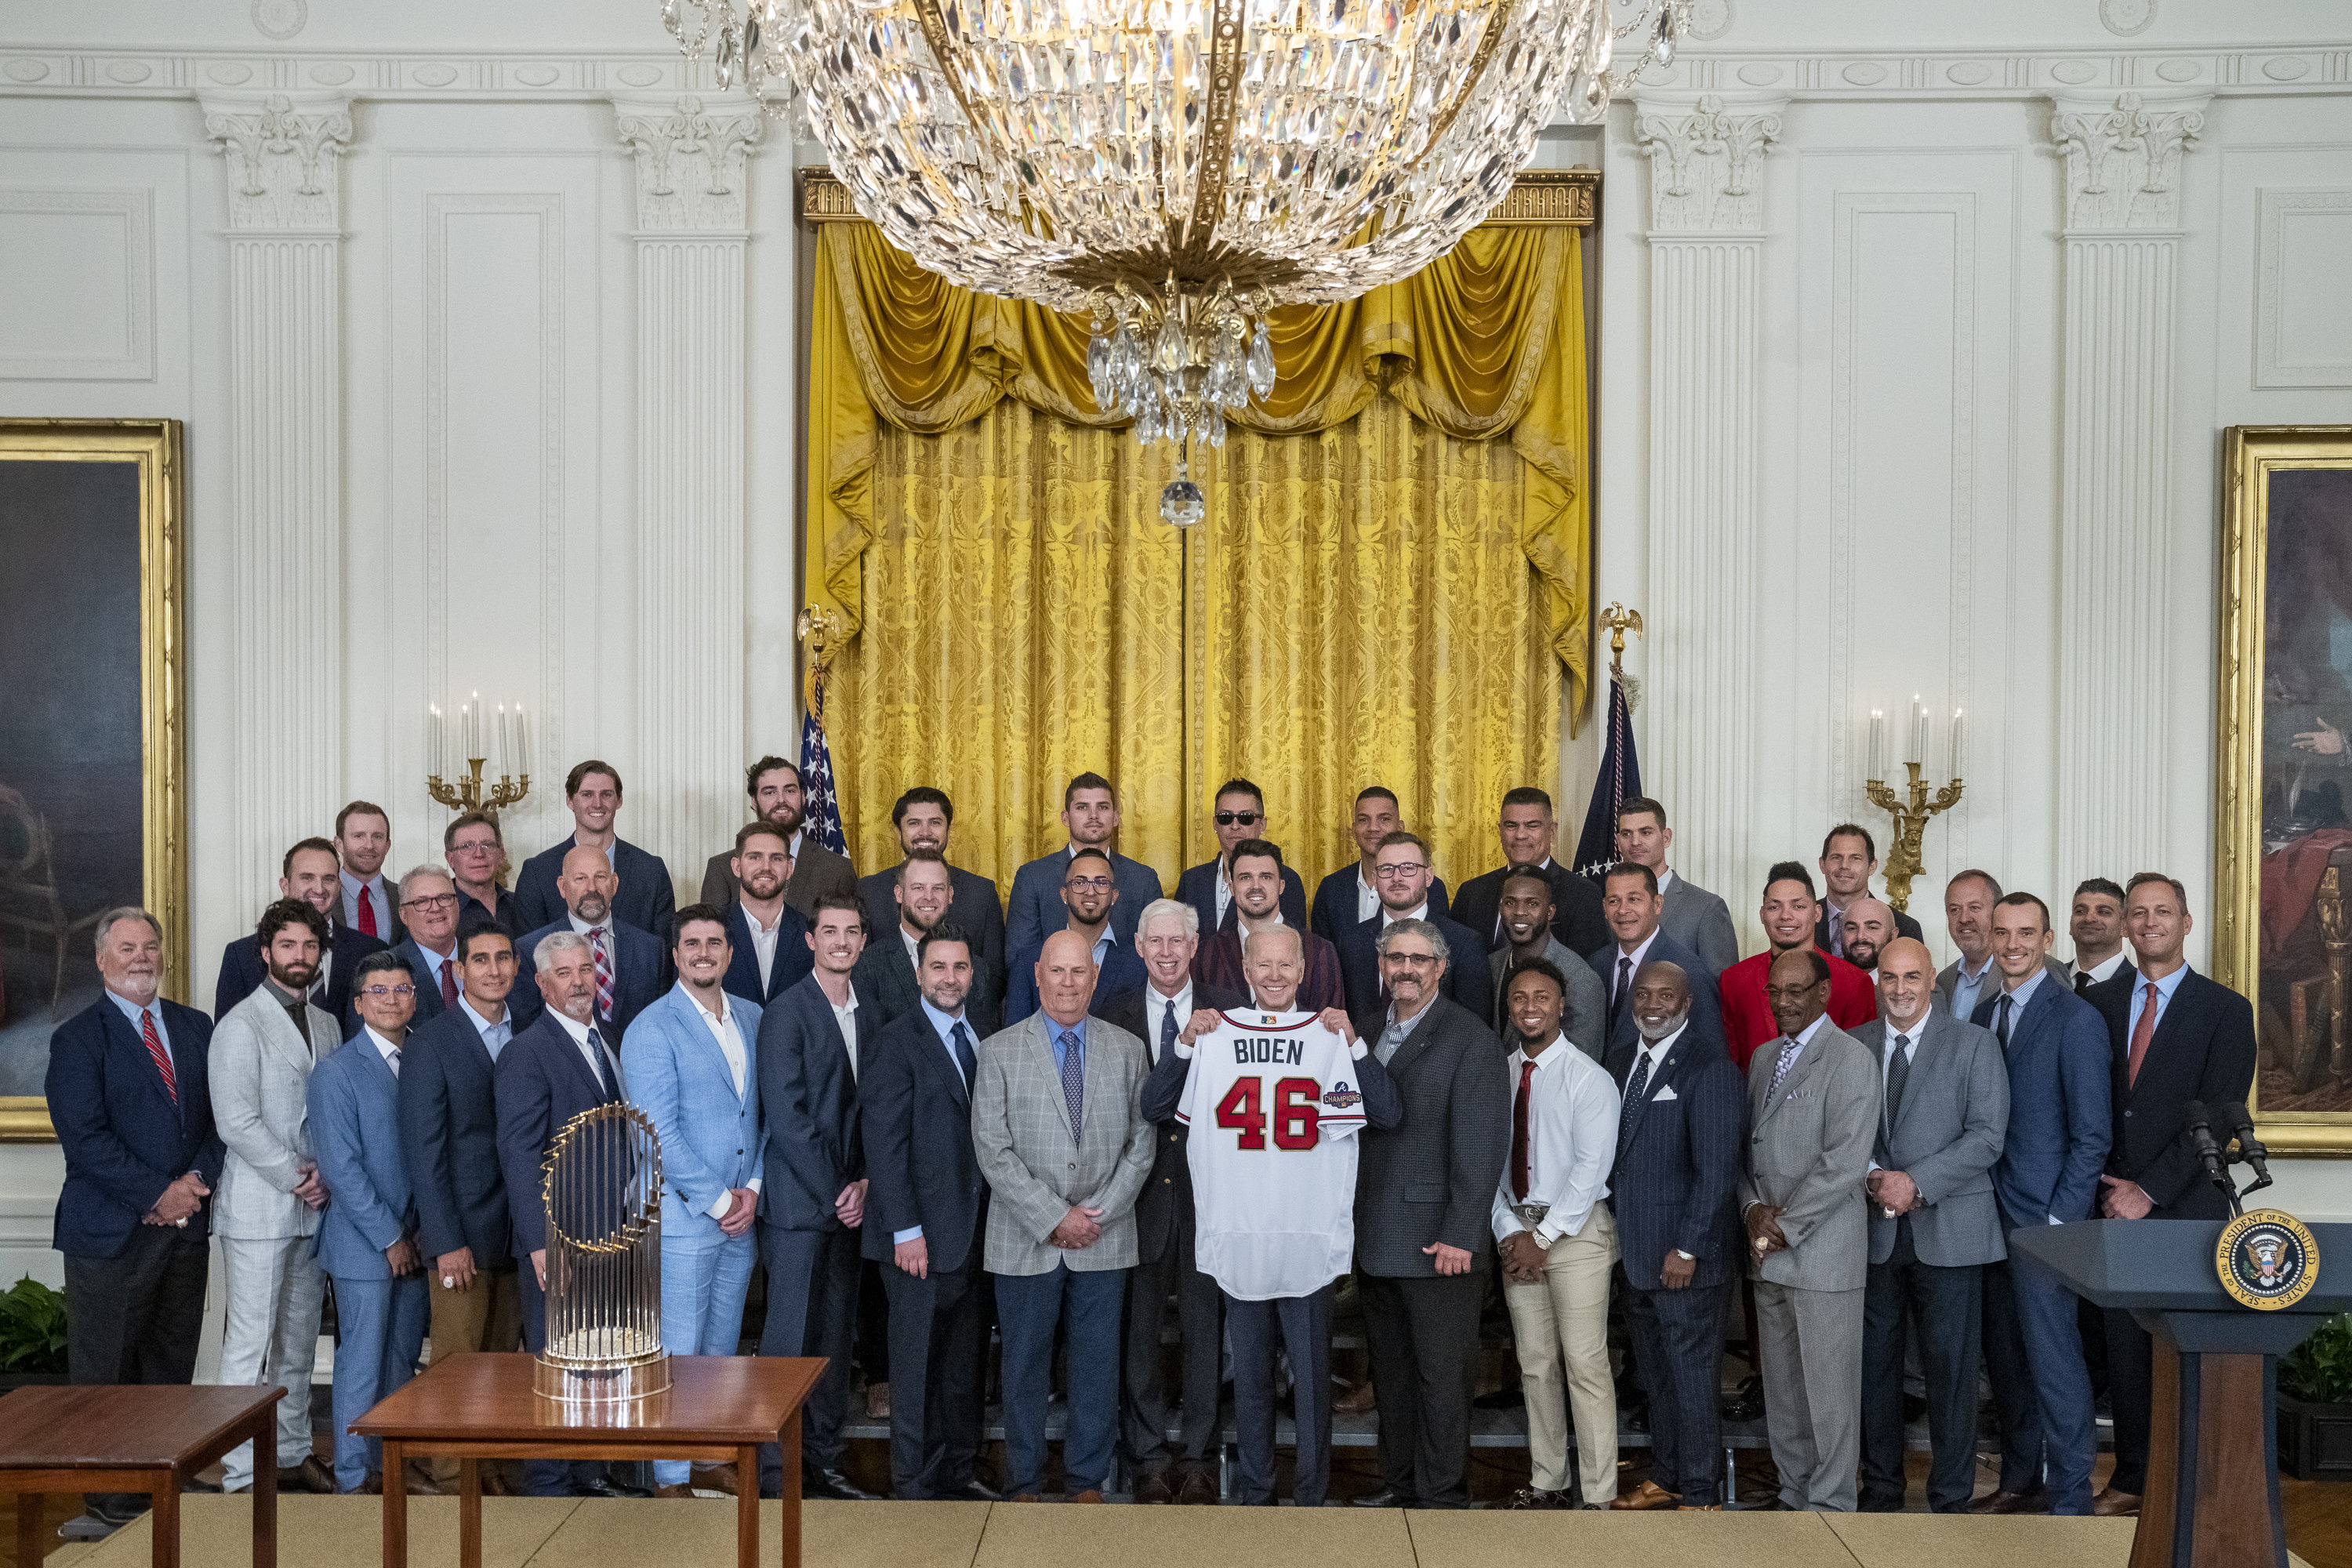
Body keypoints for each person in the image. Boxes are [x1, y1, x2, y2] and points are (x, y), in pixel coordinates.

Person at [1146, 924, 1400, 1509]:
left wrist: (1353, 1045)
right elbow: (1156, 1108)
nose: (1276, 975)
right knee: (1254, 1378)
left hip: (1304, 1235)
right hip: (1241, 1233)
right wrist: (1186, 1043)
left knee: (1309, 1381)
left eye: (1286, 965)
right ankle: (1257, 1494)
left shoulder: (1330, 1036)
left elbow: (1378, 1116)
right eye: (1265, 965)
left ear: (1305, 967)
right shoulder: (1213, 1034)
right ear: (1245, 965)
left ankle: (1311, 1496)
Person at [2083, 873, 2256, 1519]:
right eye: (2138, 913)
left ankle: (2196, 1483)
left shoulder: (2225, 1010)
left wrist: (2149, 1190)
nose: (2148, 922)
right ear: (2126, 926)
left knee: (2183, 1349)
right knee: (2125, 1350)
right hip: (2109, 1207)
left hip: (2185, 1209)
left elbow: (2217, 1113)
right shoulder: (2099, 1005)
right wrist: (2112, 1189)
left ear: (2187, 922)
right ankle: (2132, 1480)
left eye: (2163, 912)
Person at [49, 909, 223, 1530]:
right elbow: (85, 1138)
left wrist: (194, 1184)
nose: (141, 957)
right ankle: (110, 1500)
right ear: (101, 959)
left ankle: (164, 1483)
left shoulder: (196, 1027)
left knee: (169, 1365)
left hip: (185, 1229)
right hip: (111, 1232)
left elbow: (216, 1121)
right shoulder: (77, 1037)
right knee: (107, 1373)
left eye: (150, 946)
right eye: (127, 948)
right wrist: (158, 1194)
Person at [971, 930, 1155, 1504]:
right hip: (1025, 1238)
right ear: (1038, 975)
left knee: (1096, 1369)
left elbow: (1142, 1143)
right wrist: (1054, 1217)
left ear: (1095, 978)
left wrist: (1096, 1213)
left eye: (1079, 972)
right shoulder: (999, 1050)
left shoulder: (1128, 1049)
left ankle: (1085, 1482)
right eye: (1058, 971)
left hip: (1104, 1235)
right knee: (1023, 1368)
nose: (1069, 983)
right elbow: (991, 1149)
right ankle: (1024, 1481)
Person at [1348, 918, 1510, 1509]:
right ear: (1383, 965)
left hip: (1440, 1244)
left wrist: (1462, 1234)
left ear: (1441, 968)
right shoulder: (1364, 1032)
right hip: (1376, 1239)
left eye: (1419, 959)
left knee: (1441, 1382)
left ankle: (1441, 1496)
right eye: (1397, 958)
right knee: (1390, 1378)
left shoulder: (1470, 1038)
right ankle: (1398, 1485)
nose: (1407, 969)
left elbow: (1481, 1146)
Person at [1851, 937, 2007, 1515]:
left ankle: (1950, 1496)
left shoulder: (1974, 1045)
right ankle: (1883, 1490)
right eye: (1889, 978)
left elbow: (1988, 1136)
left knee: (1951, 1373)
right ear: (1877, 984)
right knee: (1875, 1369)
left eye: (1911, 977)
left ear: (1931, 982)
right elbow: (1843, 1132)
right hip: (1874, 1232)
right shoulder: (1856, 1046)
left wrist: (1914, 1182)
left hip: (1951, 1230)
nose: (1899, 989)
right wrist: (1872, 1176)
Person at [1096, 898, 1243, 1505]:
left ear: (1194, 946)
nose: (1165, 953)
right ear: (1138, 947)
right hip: (1136, 1199)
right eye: (1154, 943)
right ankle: (1150, 1457)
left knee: (1206, 1334)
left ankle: (1201, 1459)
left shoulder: (1230, 1011)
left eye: (1176, 943)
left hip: (1210, 1197)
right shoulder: (1112, 1010)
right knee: (1141, 1338)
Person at [623, 906, 769, 1500]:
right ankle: (669, 1475)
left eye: (715, 942)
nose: (704, 952)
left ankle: (707, 1454)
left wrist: (752, 1191)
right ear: (676, 955)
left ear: (730, 954)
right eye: (692, 944)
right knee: (677, 1354)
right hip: (685, 1218)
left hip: (743, 1217)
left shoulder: (756, 1019)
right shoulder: (651, 1027)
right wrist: (717, 1200)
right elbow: (654, 1130)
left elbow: (763, 1118)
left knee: (721, 1352)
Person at [1971, 891, 2109, 1517]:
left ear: (2048, 940)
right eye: (2003, 932)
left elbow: (2091, 1136)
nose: (2013, 944)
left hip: (2044, 1225)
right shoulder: (1981, 1012)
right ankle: (2020, 1479)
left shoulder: (2075, 1018)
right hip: (1985, 1218)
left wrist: (2060, 1222)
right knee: (2007, 1363)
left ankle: (2071, 1493)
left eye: (2026, 933)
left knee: (2055, 1361)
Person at [494, 931, 639, 1499]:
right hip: (561, 1238)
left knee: (602, 1357)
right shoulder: (526, 1052)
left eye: (586, 969)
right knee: (558, 1364)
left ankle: (591, 1473)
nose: (580, 981)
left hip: (614, 1231)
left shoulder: (609, 1038)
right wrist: (538, 1241)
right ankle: (550, 1485)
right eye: (565, 973)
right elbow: (520, 1153)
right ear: (542, 983)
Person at [858, 924, 997, 1501]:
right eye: (938, 967)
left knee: (961, 1367)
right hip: (916, 1240)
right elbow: (884, 1145)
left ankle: (957, 1470)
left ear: (972, 974)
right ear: (919, 974)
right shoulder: (897, 1040)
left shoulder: (984, 1036)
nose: (949, 978)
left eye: (959, 967)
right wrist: (905, 1230)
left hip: (973, 1235)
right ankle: (913, 1482)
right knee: (913, 1371)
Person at [209, 898, 339, 1498]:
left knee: (297, 1346)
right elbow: (236, 1122)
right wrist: (298, 1176)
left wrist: (326, 1177)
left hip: (312, 1213)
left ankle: (290, 1455)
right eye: (288, 946)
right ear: (266, 953)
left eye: (309, 947)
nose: (300, 957)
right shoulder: (240, 1024)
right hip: (262, 1208)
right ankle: (240, 1471)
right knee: (249, 1346)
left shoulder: (328, 1023)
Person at [1740, 948, 1877, 1514]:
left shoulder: (1851, 1059)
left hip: (1822, 1253)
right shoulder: (1762, 1057)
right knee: (1787, 1395)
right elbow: (1745, 1149)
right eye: (1776, 992)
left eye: (1797, 991)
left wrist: (1783, 1228)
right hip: (1767, 1254)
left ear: (1823, 993)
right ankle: (1796, 1499)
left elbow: (1845, 1162)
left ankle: (1831, 1506)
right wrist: (1751, 1210)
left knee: (1829, 1398)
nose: (1785, 1002)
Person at [1604, 961, 1744, 1512]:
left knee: (1691, 1381)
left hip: (1685, 1259)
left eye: (1667, 994)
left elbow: (1716, 1172)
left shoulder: (1709, 1068)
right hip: (1634, 1257)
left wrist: (1687, 1247)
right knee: (1657, 1380)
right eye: (1644, 993)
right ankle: (1666, 1477)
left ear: (1688, 1003)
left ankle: (1702, 1492)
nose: (1653, 1003)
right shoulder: (1620, 1064)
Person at [755, 894, 881, 1502]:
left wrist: (864, 1185)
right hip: (801, 1210)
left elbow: (876, 1112)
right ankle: (778, 1476)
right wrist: (838, 1190)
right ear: (810, 940)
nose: (840, 941)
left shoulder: (871, 1012)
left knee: (835, 1342)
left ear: (862, 941)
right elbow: (788, 1118)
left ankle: (826, 1463)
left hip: (850, 1205)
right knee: (789, 1345)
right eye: (829, 930)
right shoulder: (786, 1012)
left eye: (851, 931)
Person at [396, 920, 524, 1495]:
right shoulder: (431, 1041)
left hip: (519, 1229)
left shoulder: (532, 1032)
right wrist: (445, 1240)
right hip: (460, 1234)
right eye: (480, 960)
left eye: (503, 959)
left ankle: (490, 1465)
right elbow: (423, 1152)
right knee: (457, 1359)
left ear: (517, 968)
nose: (493, 970)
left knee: (503, 1358)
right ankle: (452, 1473)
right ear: (459, 970)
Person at [1490, 958, 1622, 1511]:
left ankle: (1597, 1494)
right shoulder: (1497, 1074)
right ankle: (1549, 1481)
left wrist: (1541, 1239)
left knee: (1584, 1363)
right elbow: (1487, 1163)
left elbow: (1591, 1171)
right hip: (1515, 1232)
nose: (1529, 1007)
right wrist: (1507, 1229)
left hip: (1575, 1234)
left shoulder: (1588, 1078)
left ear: (1562, 1005)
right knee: (1535, 1361)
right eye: (1519, 998)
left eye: (1541, 997)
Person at [308, 949, 430, 1495]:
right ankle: (354, 1476)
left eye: (401, 989)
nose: (392, 999)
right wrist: (389, 1237)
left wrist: (424, 1230)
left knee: (401, 1361)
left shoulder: (425, 1057)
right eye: (378, 991)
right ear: (358, 1004)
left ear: (415, 998)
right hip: (366, 1245)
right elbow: (341, 1168)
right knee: (361, 1362)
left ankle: (390, 1467)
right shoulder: (336, 1072)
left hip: (421, 1238)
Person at [856, 786, 1007, 1007]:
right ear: (898, 831)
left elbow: (994, 977)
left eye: (935, 823)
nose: (925, 832)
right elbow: (863, 974)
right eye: (914, 823)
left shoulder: (981, 892)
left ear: (948, 829)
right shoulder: (870, 890)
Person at [213, 837, 387, 1025]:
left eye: (328, 879)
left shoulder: (372, 952)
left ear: (338, 887)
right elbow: (229, 1035)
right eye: (307, 878)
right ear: (285, 886)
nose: (319, 889)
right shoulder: (241, 956)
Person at [1716, 864, 1876, 1069]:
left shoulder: (1853, 982)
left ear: (1817, 913)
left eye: (1798, 906)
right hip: (1752, 1098)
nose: (1786, 915)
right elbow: (1729, 1063)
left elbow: (1859, 1066)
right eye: (1774, 907)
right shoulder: (1734, 980)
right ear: (1762, 914)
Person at [511, 842, 669, 1038]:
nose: (591, 888)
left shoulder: (652, 950)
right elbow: (527, 1034)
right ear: (562, 887)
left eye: (600, 877)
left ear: (615, 884)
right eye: (580, 878)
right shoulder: (529, 951)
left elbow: (663, 1025)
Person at [1336, 833, 1492, 1027]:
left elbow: (1475, 1028)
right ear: (1375, 879)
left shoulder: (1464, 943)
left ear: (1428, 876)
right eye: (1387, 869)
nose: (1397, 877)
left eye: (1408, 868)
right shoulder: (1351, 942)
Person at [513, 760, 677, 935]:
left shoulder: (651, 871)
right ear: (570, 801)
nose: (597, 804)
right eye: (587, 795)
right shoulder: (537, 872)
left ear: (619, 800)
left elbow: (665, 952)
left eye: (606, 794)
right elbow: (529, 951)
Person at [1006, 772, 1165, 952]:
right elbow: (1019, 959)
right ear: (1065, 818)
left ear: (1115, 817)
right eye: (1082, 807)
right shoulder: (1033, 878)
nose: (1093, 816)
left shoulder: (1144, 880)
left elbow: (1156, 955)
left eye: (1103, 807)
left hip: (1127, 981)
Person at [1448, 788, 1608, 956]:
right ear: (1500, 831)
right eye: (1511, 826)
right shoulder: (1471, 893)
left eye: (1532, 826)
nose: (1520, 835)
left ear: (1552, 831)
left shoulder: (1583, 894)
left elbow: (1586, 971)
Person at [1587, 862, 1721, 1062]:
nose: (1623, 910)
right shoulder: (1595, 964)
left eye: (1634, 899)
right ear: (1605, 908)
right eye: (1614, 901)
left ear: (1657, 904)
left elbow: (1712, 1055)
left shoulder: (1689, 971)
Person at [699, 755, 858, 917]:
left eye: (790, 791)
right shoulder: (721, 868)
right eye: (770, 792)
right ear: (754, 802)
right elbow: (711, 936)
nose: (781, 800)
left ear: (803, 797)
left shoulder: (837, 870)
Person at [1192, 838, 1343, 1010]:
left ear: (1281, 886)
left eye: (1266, 877)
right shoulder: (1205, 956)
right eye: (1245, 878)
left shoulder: (1319, 951)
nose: (1256, 886)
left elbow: (1330, 1030)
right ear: (1232, 888)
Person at [855, 851, 997, 1030]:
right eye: (918, 888)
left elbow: (988, 1041)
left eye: (938, 888)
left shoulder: (979, 969)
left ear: (950, 894)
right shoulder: (868, 966)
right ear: (899, 893)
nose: (929, 897)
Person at [1004, 848, 1146, 1024]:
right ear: (1064, 894)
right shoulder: (1029, 962)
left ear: (1114, 896)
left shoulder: (1139, 964)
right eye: (1079, 882)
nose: (1090, 891)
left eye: (1101, 883)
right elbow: (1014, 1040)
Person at [1613, 797, 1739, 975]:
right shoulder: (1609, 906)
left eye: (1646, 832)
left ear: (1666, 838)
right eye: (1627, 834)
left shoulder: (1707, 908)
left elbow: (1721, 988)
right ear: (1618, 841)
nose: (1635, 842)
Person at [1308, 786, 1451, 941]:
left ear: (1400, 828)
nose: (1373, 828)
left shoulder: (1429, 887)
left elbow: (1439, 948)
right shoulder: (1331, 888)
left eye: (1384, 819)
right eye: (1364, 820)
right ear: (1354, 829)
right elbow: (1323, 954)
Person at [1490, 867, 1606, 1055]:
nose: (1520, 912)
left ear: (1550, 912)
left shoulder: (1581, 980)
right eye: (1510, 903)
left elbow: (1583, 1063)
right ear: (1500, 908)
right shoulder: (1492, 965)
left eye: (1532, 904)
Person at [1174, 778, 1308, 934]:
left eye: (1246, 818)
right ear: (1215, 824)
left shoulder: (1286, 879)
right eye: (1225, 817)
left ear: (1262, 825)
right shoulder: (1191, 881)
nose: (1235, 826)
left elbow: (1293, 944)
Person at [1934, 870, 2063, 1019]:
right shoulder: (1943, 980)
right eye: (1954, 910)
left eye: (1974, 908)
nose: (1964, 919)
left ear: (1998, 912)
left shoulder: (2047, 968)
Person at [720, 821, 815, 1007]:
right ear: (737, 867)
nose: (766, 867)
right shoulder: (713, 931)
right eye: (755, 857)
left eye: (777, 858)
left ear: (790, 868)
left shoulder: (812, 933)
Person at [1813, 824, 1922, 956]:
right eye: (1836, 857)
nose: (1844, 866)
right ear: (1822, 864)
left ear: (1872, 867)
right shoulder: (1802, 920)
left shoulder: (1905, 927)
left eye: (1855, 858)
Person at [387, 865, 466, 1023]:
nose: (436, 908)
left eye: (444, 897)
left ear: (457, 905)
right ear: (404, 916)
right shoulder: (386, 970)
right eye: (422, 901)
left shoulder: (483, 958)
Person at [445, 811, 524, 936]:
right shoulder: (439, 912)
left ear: (501, 855)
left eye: (487, 845)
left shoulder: (522, 905)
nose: (479, 854)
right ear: (450, 859)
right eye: (467, 846)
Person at [336, 800, 405, 944]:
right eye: (359, 836)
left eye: (377, 836)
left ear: (387, 846)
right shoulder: (322, 896)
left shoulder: (404, 897)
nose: (369, 845)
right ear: (339, 844)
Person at [2064, 877, 2129, 993]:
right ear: (2070, 924)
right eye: (2080, 911)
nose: (2089, 918)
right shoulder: (2049, 978)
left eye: (2103, 912)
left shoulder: (2141, 986)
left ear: (2124, 926)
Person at [1836, 898, 1900, 976]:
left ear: (1894, 935)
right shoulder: (1825, 982)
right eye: (1852, 928)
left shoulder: (1909, 985)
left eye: (1872, 927)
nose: (1860, 936)